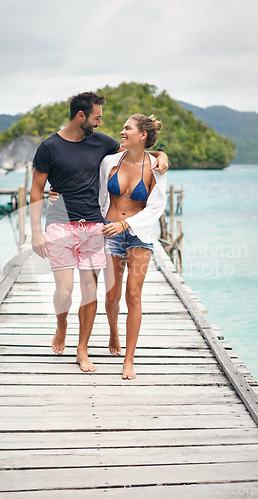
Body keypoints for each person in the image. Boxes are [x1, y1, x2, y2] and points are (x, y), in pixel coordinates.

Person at [30, 92, 168, 373]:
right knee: (79, 293)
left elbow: (140, 159)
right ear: (81, 116)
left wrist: (162, 155)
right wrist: (40, 220)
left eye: (101, 119)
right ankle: (66, 325)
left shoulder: (109, 147)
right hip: (80, 225)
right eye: (97, 117)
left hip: (114, 229)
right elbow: (39, 188)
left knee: (108, 292)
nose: (102, 123)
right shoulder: (58, 149)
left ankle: (94, 352)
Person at [99, 114, 167, 379]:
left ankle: (129, 359)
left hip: (139, 235)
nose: (122, 131)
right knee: (111, 296)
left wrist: (126, 225)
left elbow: (156, 206)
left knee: (134, 296)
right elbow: (89, 186)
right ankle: (114, 332)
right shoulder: (109, 162)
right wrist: (56, 192)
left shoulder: (156, 167)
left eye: (127, 128)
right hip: (109, 233)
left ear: (143, 136)